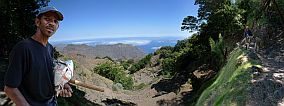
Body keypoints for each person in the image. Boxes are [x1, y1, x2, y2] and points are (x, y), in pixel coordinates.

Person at [4, 6, 72, 106]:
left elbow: (47, 73)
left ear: (57, 26)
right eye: (47, 19)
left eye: (55, 21)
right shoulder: (23, 48)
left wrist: (63, 84)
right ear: (37, 22)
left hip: (52, 101)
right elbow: (9, 88)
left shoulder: (49, 48)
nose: (52, 23)